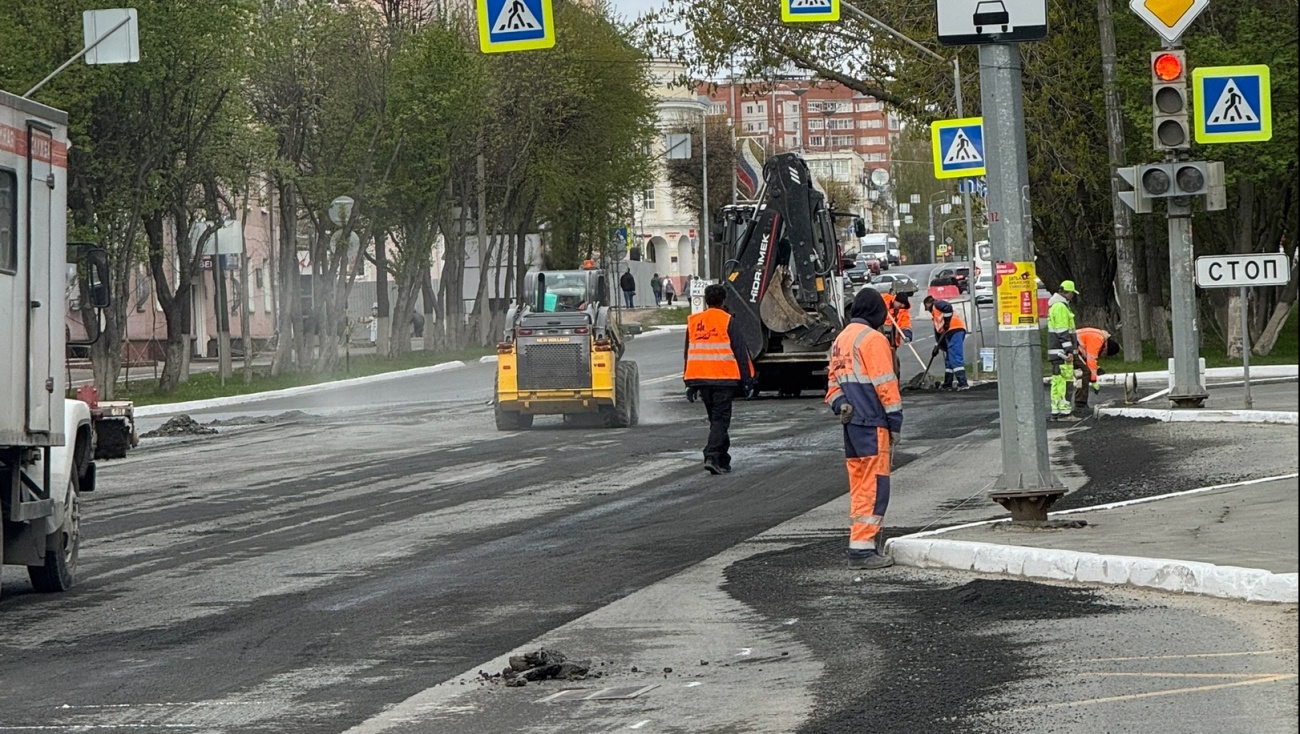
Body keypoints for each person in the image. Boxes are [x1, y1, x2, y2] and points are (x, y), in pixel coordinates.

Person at [826, 288, 902, 570]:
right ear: (876, 313)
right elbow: (886, 386)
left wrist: (841, 405)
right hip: (872, 423)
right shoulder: (873, 339)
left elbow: (832, 387)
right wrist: (895, 423)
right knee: (875, 487)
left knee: (860, 486)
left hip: (852, 426)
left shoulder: (840, 340)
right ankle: (862, 552)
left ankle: (860, 544)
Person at [683, 284, 754, 475]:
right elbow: (740, 352)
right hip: (723, 377)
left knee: (716, 420)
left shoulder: (694, 322)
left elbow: (687, 353)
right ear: (723, 301)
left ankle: (723, 459)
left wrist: (688, 382)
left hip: (700, 378)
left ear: (706, 300)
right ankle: (712, 455)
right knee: (721, 420)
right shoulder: (728, 320)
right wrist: (747, 380)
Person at [1047, 281, 1079, 417]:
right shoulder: (1060, 307)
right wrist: (1069, 351)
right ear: (1068, 292)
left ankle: (1056, 407)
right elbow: (1063, 331)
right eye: (1072, 293)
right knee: (1065, 382)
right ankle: (1064, 407)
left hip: (1057, 353)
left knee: (1057, 381)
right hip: (1062, 353)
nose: (1072, 296)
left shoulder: (1056, 306)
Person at [922, 295, 968, 390]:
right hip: (949, 332)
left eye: (926, 308)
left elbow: (947, 307)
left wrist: (947, 322)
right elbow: (938, 335)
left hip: (955, 329)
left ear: (928, 304)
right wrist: (937, 347)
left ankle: (963, 383)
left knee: (955, 356)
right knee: (949, 358)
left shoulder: (937, 304)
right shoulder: (935, 316)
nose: (927, 310)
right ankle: (948, 383)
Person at [1073, 326, 1120, 412]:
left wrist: (1096, 369)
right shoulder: (1098, 339)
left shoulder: (1098, 335)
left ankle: (1078, 402)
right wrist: (1093, 380)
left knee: (1083, 370)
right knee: (1084, 372)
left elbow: (1087, 357)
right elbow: (1091, 359)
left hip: (1071, 345)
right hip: (1071, 347)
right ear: (1106, 348)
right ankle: (1080, 404)